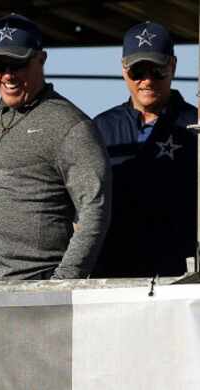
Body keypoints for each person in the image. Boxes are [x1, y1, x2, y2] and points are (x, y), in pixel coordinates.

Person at [0, 14, 110, 282]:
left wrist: (62, 282)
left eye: (17, 63)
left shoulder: (70, 124)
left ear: (41, 60)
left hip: (32, 295)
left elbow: (95, 206)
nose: (7, 75)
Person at [92, 21, 197, 278]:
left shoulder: (196, 126)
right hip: (112, 274)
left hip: (179, 279)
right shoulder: (99, 128)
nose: (147, 80)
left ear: (172, 65)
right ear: (124, 70)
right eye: (138, 71)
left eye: (157, 69)